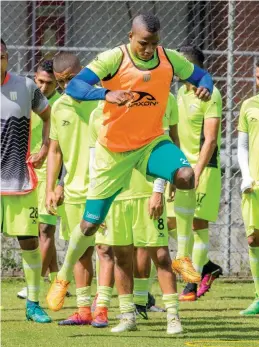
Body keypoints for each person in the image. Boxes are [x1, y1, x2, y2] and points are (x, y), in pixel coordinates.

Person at [46, 13, 214, 333]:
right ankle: (63, 274)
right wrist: (105, 94)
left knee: (187, 177)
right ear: (130, 36)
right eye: (143, 43)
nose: (149, 50)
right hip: (113, 152)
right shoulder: (114, 58)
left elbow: (201, 76)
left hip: (152, 144)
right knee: (91, 223)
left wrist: (204, 87)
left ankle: (185, 257)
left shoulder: (169, 58)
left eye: (154, 43)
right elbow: (78, 87)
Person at [91, 94, 181, 334]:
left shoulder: (146, 110)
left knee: (161, 255)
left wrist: (158, 190)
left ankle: (173, 316)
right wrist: (97, 204)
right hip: (116, 196)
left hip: (146, 195)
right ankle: (127, 315)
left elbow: (162, 151)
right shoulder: (96, 115)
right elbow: (97, 161)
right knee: (121, 257)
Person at [0, 38, 51, 323]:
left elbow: (47, 115)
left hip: (19, 179)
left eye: (3, 56)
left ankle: (33, 303)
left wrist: (44, 147)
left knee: (29, 241)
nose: (0, 62)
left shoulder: (26, 86)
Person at [46, 52, 98, 324]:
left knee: (107, 250)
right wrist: (52, 186)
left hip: (105, 189)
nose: (67, 86)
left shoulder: (103, 100)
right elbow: (55, 151)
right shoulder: (59, 107)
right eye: (61, 82)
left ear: (84, 72)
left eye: (71, 79)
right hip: (73, 189)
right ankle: (84, 310)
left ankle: (106, 308)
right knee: (81, 251)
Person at [169, 46, 223, 301]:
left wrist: (198, 171)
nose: (181, 71)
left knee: (198, 224)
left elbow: (210, 139)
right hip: (181, 169)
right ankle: (207, 267)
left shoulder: (211, 95)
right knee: (173, 223)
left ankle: (192, 284)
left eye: (186, 66)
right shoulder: (179, 91)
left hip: (204, 168)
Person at [17, 60, 62, 300]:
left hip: (49, 174)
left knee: (45, 229)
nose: (43, 87)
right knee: (40, 229)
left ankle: (35, 285)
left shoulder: (61, 106)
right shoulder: (25, 99)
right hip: (25, 172)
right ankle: (56, 279)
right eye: (40, 81)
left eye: (49, 83)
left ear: (58, 83)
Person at [237, 54, 259, 315]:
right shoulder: (248, 105)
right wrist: (246, 175)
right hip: (256, 184)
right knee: (253, 239)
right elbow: (242, 145)